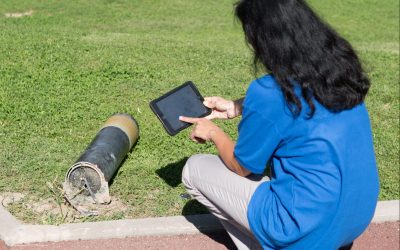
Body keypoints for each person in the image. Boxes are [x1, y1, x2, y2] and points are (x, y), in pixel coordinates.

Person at [179, 0, 380, 249]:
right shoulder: (341, 71)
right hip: (357, 215)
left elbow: (243, 167)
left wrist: (213, 132)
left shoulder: (268, 92)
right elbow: (302, 103)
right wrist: (237, 106)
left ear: (266, 39)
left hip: (305, 227)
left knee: (194, 168)